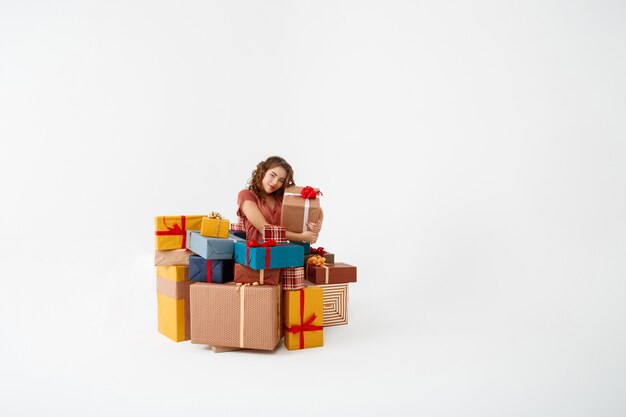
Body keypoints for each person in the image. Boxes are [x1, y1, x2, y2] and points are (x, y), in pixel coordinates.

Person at [237, 156, 322, 243]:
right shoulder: (246, 195)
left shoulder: (283, 199)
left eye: (281, 180)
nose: (275, 182)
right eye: (272, 175)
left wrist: (318, 223)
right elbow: (264, 229)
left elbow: (316, 210)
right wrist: (301, 237)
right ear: (263, 172)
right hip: (258, 251)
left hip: (283, 251)